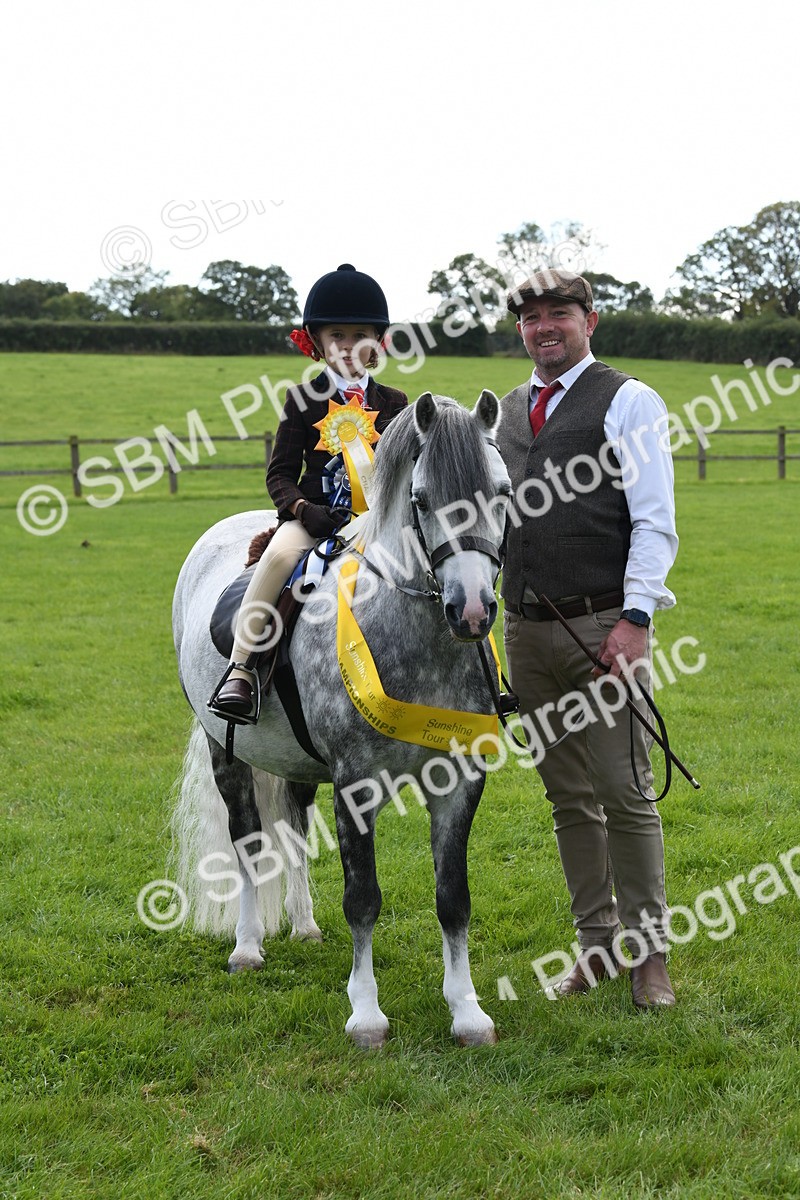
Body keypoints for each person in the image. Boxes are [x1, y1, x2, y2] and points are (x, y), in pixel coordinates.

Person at [496, 269, 679, 1009]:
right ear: (521, 331)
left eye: (560, 314)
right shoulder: (507, 411)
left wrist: (636, 619)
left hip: (605, 625)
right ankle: (596, 946)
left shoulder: (627, 399)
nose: (545, 327)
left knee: (625, 793)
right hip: (524, 631)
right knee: (568, 798)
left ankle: (651, 956)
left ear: (589, 320)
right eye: (532, 317)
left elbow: (654, 517)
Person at [210, 263, 408, 721]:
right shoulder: (302, 399)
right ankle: (241, 670)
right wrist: (301, 508)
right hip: (314, 520)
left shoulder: (395, 402)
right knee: (280, 559)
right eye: (336, 333)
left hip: (376, 521)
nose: (347, 344)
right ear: (317, 341)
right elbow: (279, 473)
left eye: (359, 334)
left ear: (376, 342)